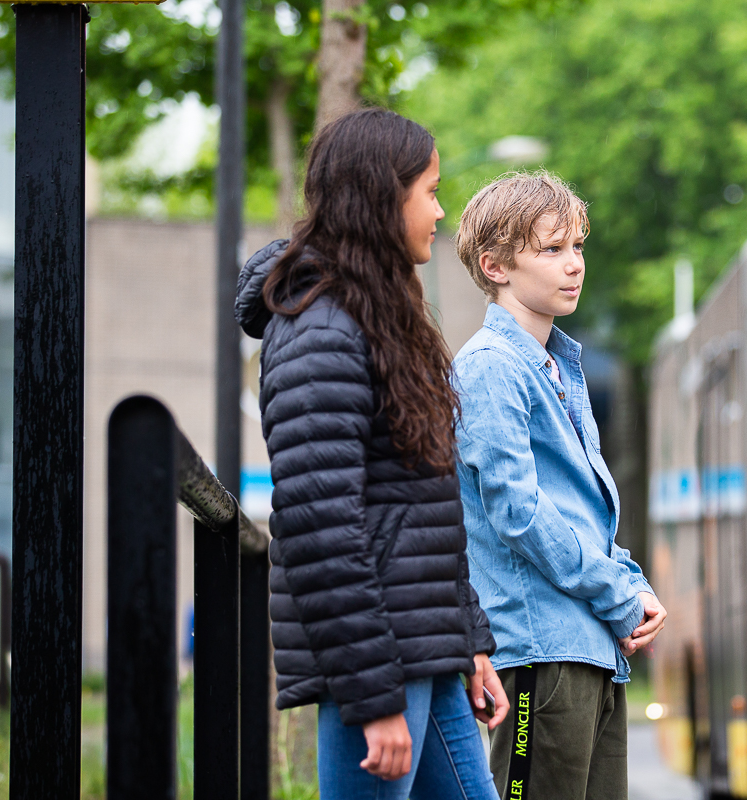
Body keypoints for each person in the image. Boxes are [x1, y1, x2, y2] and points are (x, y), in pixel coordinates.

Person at [233, 108, 508, 800]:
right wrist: (373, 696)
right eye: (431, 192)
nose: (441, 212)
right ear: (384, 196)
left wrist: (467, 638)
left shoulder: (382, 315)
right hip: (379, 659)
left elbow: (422, 508)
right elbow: (321, 525)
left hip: (422, 648)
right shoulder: (320, 328)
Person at [450, 171, 668, 800]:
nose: (573, 265)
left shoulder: (559, 368)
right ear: (494, 265)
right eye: (550, 250)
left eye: (576, 246)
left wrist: (632, 585)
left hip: (591, 650)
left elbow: (583, 512)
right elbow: (519, 514)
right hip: (540, 654)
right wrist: (619, 596)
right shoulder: (491, 369)